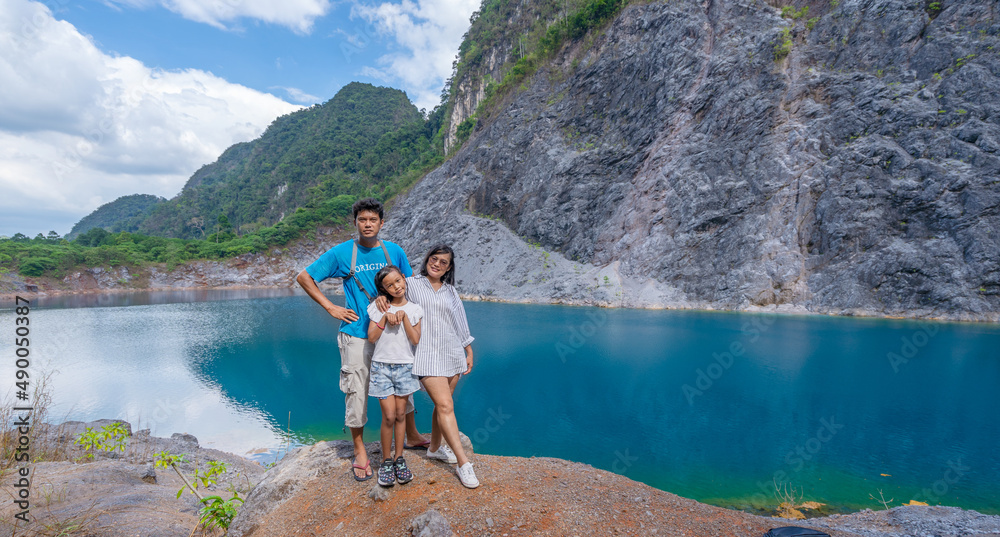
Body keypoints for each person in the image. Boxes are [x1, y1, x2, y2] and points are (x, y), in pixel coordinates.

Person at [296, 198, 426, 481]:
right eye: (362, 220)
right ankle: (360, 450)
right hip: (357, 334)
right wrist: (330, 307)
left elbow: (409, 288)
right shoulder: (343, 253)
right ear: (355, 222)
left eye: (373, 220)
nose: (367, 225)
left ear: (381, 223)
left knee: (403, 383)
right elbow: (304, 277)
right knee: (357, 389)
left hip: (393, 335)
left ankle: (412, 435)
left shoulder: (394, 251)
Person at [378, 244, 479, 488]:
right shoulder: (412, 283)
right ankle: (464, 464)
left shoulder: (450, 291)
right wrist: (382, 297)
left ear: (449, 268)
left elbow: (459, 321)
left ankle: (434, 448)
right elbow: (394, 289)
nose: (437, 264)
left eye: (443, 262)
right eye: (434, 259)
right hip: (425, 355)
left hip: (452, 352)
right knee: (445, 405)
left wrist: (468, 348)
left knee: (442, 405)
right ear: (427, 260)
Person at [367, 265, 423, 486]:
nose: (396, 287)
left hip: (405, 367)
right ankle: (386, 460)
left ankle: (399, 458)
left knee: (401, 414)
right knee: (389, 416)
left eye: (398, 281)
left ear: (404, 279)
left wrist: (404, 318)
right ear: (384, 288)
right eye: (390, 285)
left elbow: (415, 340)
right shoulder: (377, 307)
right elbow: (372, 337)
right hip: (381, 367)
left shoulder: (415, 309)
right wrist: (384, 318)